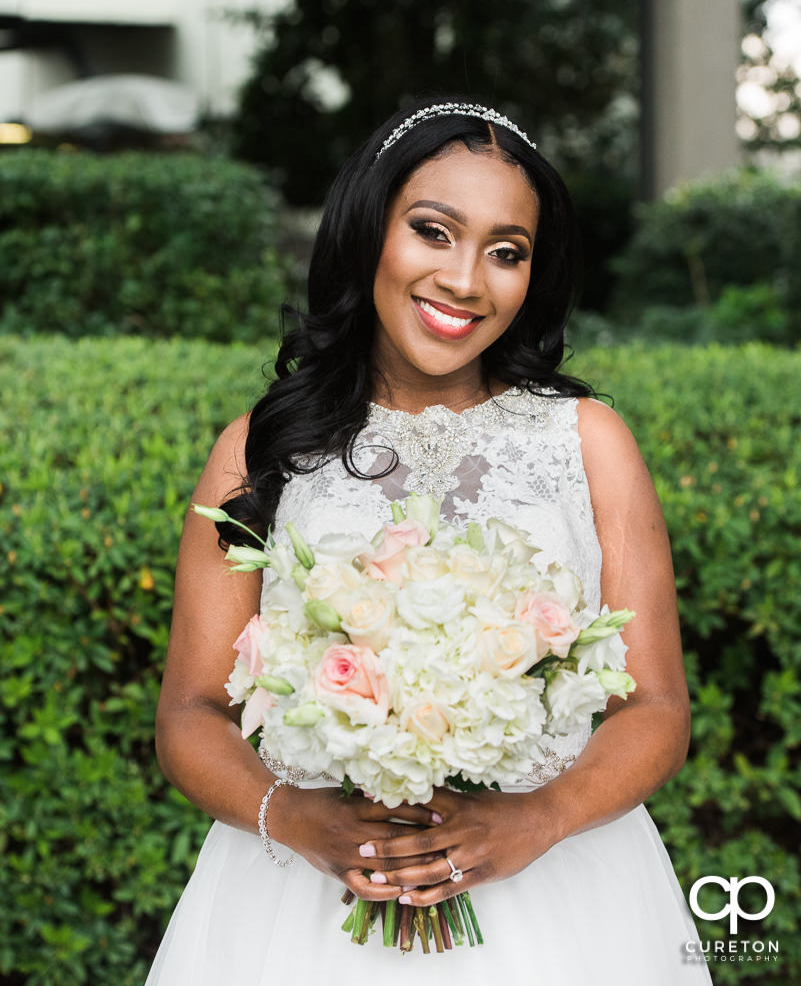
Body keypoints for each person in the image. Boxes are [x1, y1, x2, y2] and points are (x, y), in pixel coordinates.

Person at [145, 99, 712, 985]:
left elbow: (656, 707)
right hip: (303, 902)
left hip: (559, 893)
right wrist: (296, 818)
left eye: (506, 252)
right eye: (432, 232)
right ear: (370, 229)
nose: (464, 280)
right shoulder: (259, 450)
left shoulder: (587, 443)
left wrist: (541, 818)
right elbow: (190, 713)